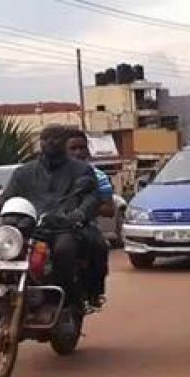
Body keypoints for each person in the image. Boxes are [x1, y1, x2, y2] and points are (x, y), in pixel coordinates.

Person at [0, 124, 101, 298]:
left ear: (63, 142)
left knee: (64, 249)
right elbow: (7, 196)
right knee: (2, 246)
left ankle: (65, 297)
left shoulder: (81, 170)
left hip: (62, 228)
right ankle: (6, 288)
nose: (49, 142)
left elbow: (91, 198)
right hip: (29, 226)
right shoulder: (24, 172)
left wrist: (79, 213)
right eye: (45, 138)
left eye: (55, 138)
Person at [65, 129, 112, 309]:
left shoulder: (98, 176)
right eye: (72, 148)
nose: (77, 152)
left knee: (100, 247)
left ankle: (95, 292)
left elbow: (110, 209)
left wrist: (85, 210)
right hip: (50, 226)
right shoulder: (52, 175)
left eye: (81, 147)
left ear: (88, 150)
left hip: (83, 226)